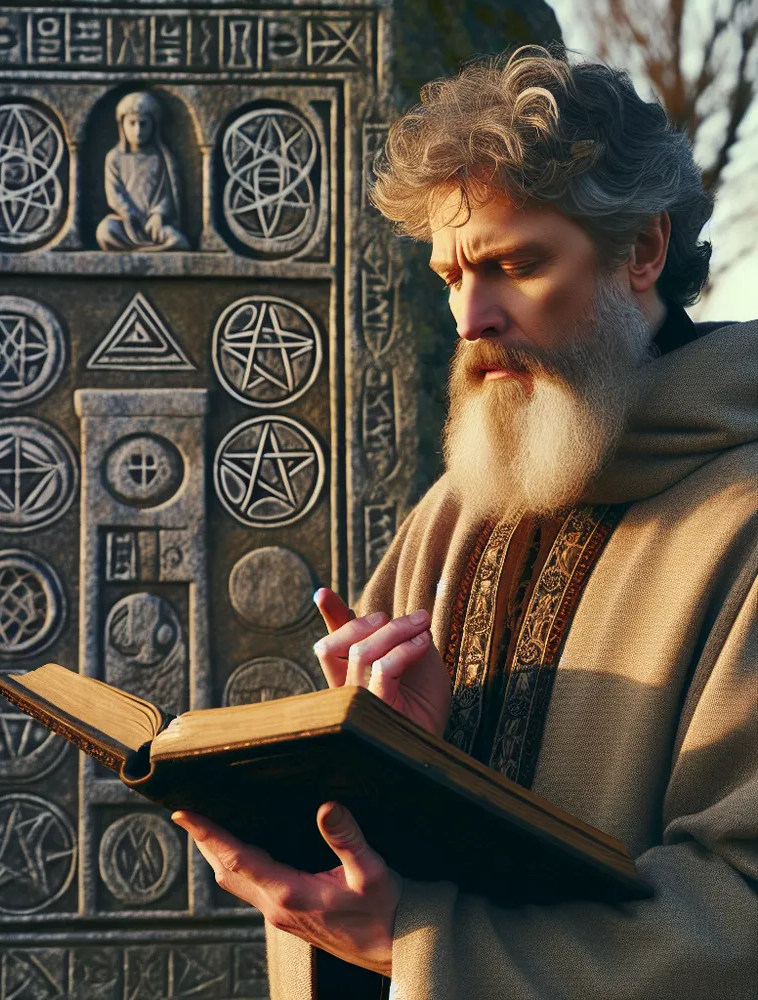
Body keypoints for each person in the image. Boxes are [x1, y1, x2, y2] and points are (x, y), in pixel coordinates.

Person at [170, 46, 758, 999]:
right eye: (449, 275)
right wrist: (385, 763)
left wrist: (415, 947)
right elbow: (384, 863)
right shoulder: (458, 508)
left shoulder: (744, 522)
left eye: (514, 264)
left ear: (643, 251)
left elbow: (741, 910)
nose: (470, 317)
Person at [96, 90, 190, 252]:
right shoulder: (114, 158)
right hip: (127, 223)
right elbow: (114, 194)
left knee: (178, 240)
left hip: (153, 226)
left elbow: (167, 195)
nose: (138, 130)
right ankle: (150, 250)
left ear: (154, 126)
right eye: (132, 123)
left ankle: (148, 248)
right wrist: (129, 214)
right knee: (105, 231)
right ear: (122, 125)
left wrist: (158, 215)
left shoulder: (160, 158)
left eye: (143, 124)